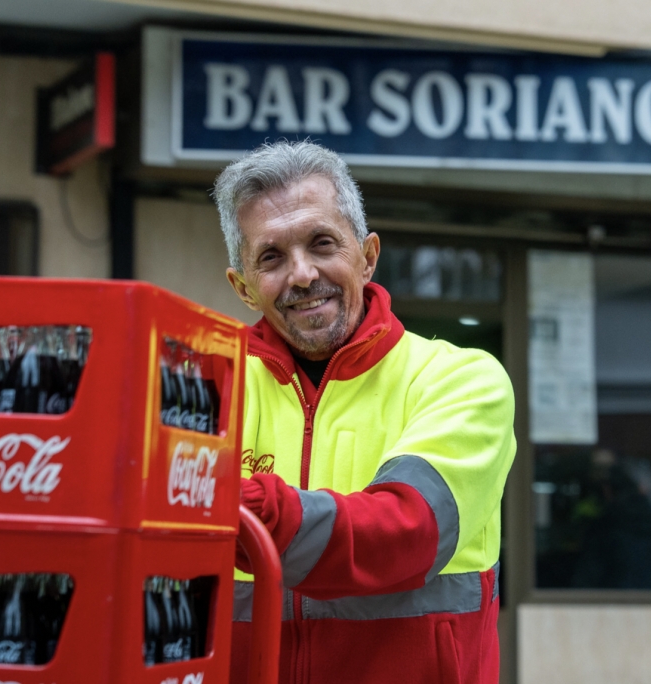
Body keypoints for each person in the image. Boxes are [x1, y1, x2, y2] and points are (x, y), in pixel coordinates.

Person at [214, 140, 516, 684]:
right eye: (271, 257)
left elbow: (408, 532)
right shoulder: (205, 383)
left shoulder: (462, 380)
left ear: (368, 254)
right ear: (243, 287)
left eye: (322, 243)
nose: (302, 275)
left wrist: (221, 501)